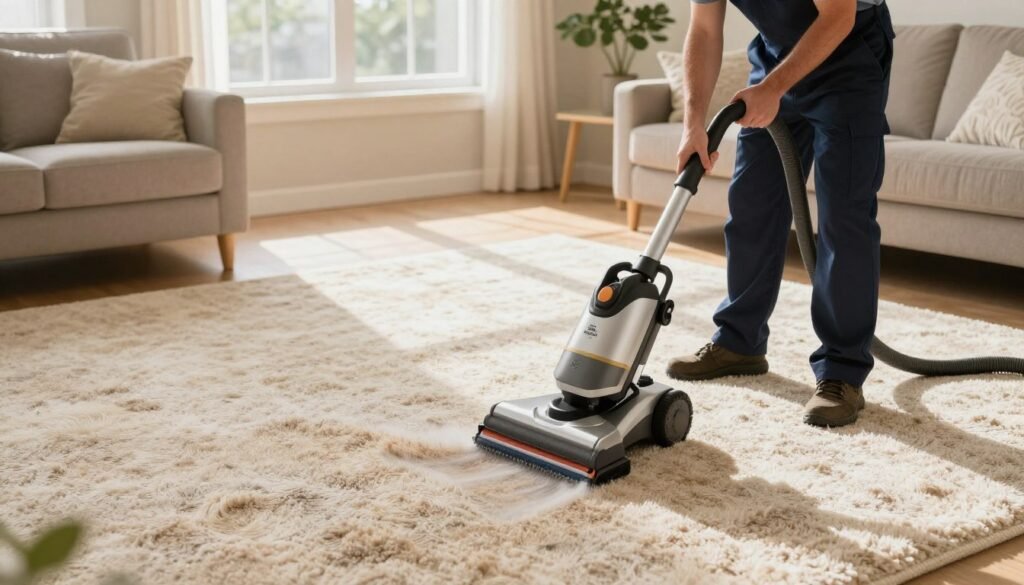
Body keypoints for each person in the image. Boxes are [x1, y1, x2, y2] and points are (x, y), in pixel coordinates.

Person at [665, 0, 895, 427]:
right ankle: (739, 341)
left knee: (843, 220)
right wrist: (693, 123)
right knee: (752, 205)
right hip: (777, 54)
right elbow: (705, 29)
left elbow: (838, 17)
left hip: (848, 53)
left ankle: (842, 372)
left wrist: (772, 89)